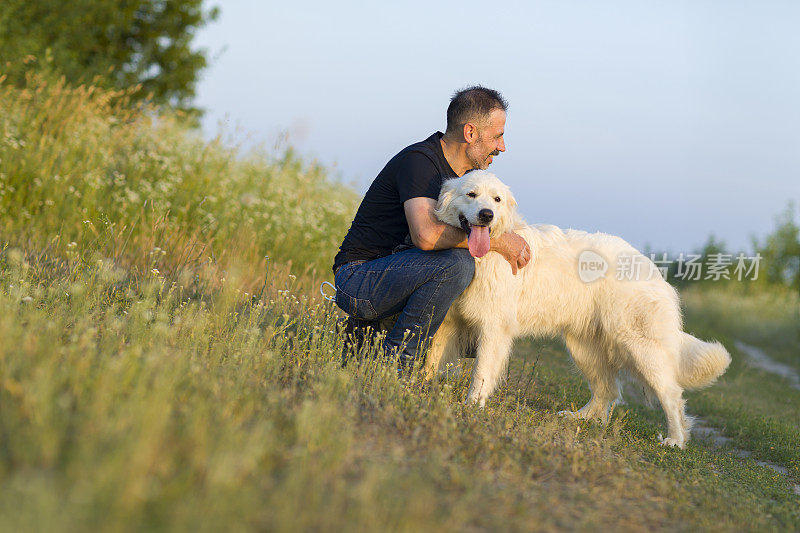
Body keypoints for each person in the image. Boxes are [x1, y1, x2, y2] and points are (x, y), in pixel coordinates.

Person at [332, 86, 530, 368]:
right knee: (458, 265)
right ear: (470, 133)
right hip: (359, 279)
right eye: (497, 136)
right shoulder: (421, 163)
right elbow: (426, 236)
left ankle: (367, 337)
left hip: (395, 274)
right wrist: (499, 242)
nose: (502, 146)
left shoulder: (465, 181)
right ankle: (397, 364)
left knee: (483, 312)